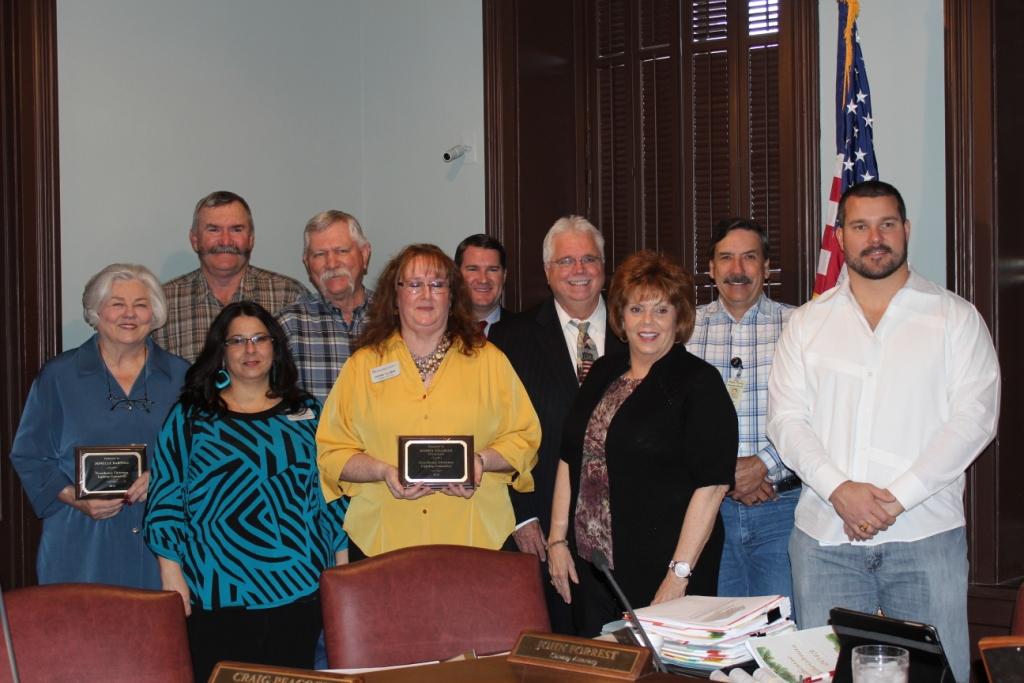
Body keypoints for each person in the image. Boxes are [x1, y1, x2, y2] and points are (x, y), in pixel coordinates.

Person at [767, 181, 1000, 683]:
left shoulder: (955, 319)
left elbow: (974, 420)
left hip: (926, 538)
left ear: (906, 230)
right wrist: (840, 491)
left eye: (887, 223)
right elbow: (786, 422)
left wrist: (894, 500)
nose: (875, 237)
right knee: (827, 678)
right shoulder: (806, 325)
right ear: (840, 238)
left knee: (937, 677)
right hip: (824, 542)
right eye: (860, 226)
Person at [145, 301, 348, 682]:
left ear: (275, 347)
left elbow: (331, 495)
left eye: (259, 339)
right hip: (217, 590)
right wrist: (172, 576)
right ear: (221, 352)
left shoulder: (306, 412)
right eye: (236, 341)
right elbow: (167, 495)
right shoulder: (192, 415)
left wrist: (341, 570)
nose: (250, 350)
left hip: (298, 588)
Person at [547, 251, 737, 637]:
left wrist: (678, 576)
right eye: (636, 309)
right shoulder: (603, 371)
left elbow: (713, 485)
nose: (647, 322)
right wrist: (556, 541)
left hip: (663, 571)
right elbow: (571, 455)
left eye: (661, 310)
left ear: (679, 318)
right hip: (593, 567)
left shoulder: (698, 383)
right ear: (621, 316)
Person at [317, 243, 541, 557]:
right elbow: (331, 451)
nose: (426, 294)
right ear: (395, 297)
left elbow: (525, 437)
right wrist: (382, 471)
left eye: (437, 285)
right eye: (414, 284)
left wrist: (479, 463)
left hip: (475, 538)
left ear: (452, 297)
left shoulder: (490, 361)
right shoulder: (363, 366)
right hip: (384, 540)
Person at [489, 215, 627, 633]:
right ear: (547, 272)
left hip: (629, 525)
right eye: (566, 261)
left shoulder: (638, 328)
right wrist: (521, 515)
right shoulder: (508, 340)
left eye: (589, 259)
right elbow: (494, 432)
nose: (579, 271)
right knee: (558, 651)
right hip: (543, 526)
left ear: (605, 267)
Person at [10, 264, 188, 588]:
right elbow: (29, 454)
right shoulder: (59, 376)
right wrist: (73, 497)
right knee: (78, 635)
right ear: (96, 311)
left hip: (161, 542)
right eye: (117, 303)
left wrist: (164, 479)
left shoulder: (183, 377)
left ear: (156, 313)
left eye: (141, 304)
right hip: (78, 542)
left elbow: (202, 456)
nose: (129, 314)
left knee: (156, 636)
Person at [686, 218, 798, 606]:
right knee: (717, 638)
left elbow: (820, 413)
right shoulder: (683, 330)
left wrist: (764, 463)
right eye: (726, 258)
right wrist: (724, 475)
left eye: (749, 258)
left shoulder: (800, 326)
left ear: (766, 267)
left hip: (782, 510)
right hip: (705, 515)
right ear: (711, 268)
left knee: (781, 639)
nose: (737, 270)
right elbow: (671, 419)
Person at [154, 190, 307, 362]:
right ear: (195, 240)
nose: (225, 241)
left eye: (236, 229)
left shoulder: (289, 296)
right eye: (214, 230)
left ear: (251, 239)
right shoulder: (164, 302)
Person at [278, 210, 374, 403]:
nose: (331, 263)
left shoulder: (394, 317)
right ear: (307, 263)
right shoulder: (288, 325)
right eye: (320, 254)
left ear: (364, 254)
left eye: (341, 251)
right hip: (313, 434)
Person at [454, 233, 508, 336]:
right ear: (457, 275)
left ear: (504, 276)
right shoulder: (440, 332)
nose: (483, 280)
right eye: (473, 269)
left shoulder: (528, 334)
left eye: (492, 270)